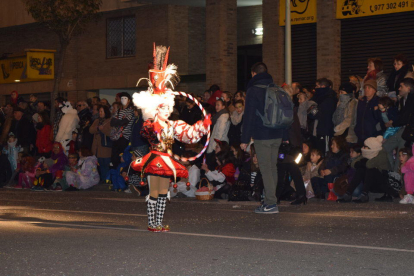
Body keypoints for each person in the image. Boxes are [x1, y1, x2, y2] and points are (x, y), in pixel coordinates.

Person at [131, 44, 211, 232]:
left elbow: (188, 134)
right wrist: (155, 126)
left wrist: (202, 125)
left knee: (164, 193)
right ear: (155, 108)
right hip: (154, 159)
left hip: (167, 160)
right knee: (154, 191)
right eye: (163, 108)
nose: (167, 110)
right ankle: (151, 223)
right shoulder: (150, 124)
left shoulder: (173, 124)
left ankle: (158, 222)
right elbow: (146, 133)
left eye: (168, 107)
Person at [240, 62, 284, 214]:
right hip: (277, 133)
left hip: (262, 134)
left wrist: (244, 139)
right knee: (272, 168)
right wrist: (284, 135)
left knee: (265, 169)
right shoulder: (276, 88)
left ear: (253, 74)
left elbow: (249, 116)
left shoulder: (253, 90)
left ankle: (271, 203)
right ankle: (270, 199)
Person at [383, 78, 414, 171]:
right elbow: (401, 116)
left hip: (407, 132)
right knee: (385, 147)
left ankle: (396, 176)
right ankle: (393, 171)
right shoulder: (402, 100)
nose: (399, 88)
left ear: (408, 88)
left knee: (400, 156)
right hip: (401, 130)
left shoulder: (412, 100)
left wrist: (393, 123)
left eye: (401, 86)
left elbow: (406, 117)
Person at [311, 78, 338, 154]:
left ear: (322, 86)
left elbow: (318, 114)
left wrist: (312, 111)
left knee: (324, 151)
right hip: (318, 130)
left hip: (324, 130)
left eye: (317, 86)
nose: (315, 88)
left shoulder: (328, 99)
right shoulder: (318, 98)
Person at [354, 80, 382, 145]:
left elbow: (379, 118)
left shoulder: (378, 101)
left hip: (373, 134)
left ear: (374, 90)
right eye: (365, 88)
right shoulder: (361, 101)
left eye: (369, 88)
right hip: (360, 133)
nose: (366, 90)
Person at [110, 92, 134, 168]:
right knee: (115, 158)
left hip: (125, 137)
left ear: (129, 100)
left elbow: (124, 121)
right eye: (122, 98)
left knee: (123, 158)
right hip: (116, 137)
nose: (123, 100)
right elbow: (112, 122)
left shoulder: (130, 111)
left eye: (125, 98)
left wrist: (119, 122)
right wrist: (120, 122)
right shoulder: (119, 110)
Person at [90, 105, 112, 182]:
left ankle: (106, 180)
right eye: (99, 111)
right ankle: (102, 179)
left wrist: (102, 129)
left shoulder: (109, 121)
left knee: (105, 164)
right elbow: (91, 130)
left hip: (105, 147)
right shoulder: (97, 121)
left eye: (102, 111)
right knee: (99, 164)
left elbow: (111, 132)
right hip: (97, 147)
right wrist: (97, 128)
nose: (100, 113)